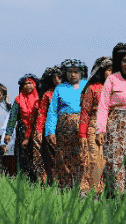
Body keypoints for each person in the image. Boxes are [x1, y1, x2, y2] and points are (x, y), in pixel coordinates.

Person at [97, 43, 126, 198]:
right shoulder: (112, 79)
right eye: (124, 61)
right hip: (115, 126)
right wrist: (100, 130)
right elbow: (103, 106)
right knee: (114, 161)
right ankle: (115, 197)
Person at [45, 60, 87, 190]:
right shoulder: (60, 88)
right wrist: (50, 131)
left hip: (83, 125)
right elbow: (52, 111)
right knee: (63, 156)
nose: (73, 75)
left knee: (82, 155)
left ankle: (82, 187)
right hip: (63, 128)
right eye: (70, 72)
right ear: (65, 73)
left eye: (76, 72)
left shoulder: (86, 85)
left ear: (81, 73)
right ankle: (66, 186)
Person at [78, 57, 113, 197]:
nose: (112, 73)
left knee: (109, 162)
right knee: (94, 160)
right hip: (93, 127)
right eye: (109, 69)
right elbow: (85, 112)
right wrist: (82, 134)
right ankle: (89, 191)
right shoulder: (93, 89)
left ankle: (107, 192)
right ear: (102, 71)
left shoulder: (119, 88)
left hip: (113, 128)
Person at [6, 78, 40, 181]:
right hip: (22, 130)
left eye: (30, 83)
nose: (28, 85)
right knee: (23, 155)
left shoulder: (40, 98)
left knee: (37, 155)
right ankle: (26, 180)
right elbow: (13, 117)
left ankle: (39, 180)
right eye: (25, 84)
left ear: (34, 84)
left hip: (37, 129)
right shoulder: (18, 99)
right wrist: (8, 133)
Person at [35, 68, 62, 184]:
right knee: (51, 157)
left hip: (67, 128)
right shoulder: (48, 94)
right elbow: (41, 113)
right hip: (51, 129)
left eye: (59, 77)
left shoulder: (72, 91)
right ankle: (53, 182)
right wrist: (39, 130)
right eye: (53, 78)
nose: (56, 80)